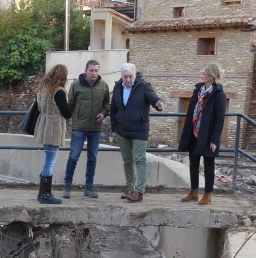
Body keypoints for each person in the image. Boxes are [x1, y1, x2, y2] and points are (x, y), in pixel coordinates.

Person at [109, 63, 163, 202]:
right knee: (127, 160)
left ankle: (139, 192)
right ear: (121, 76)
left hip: (139, 129)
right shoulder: (117, 87)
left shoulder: (143, 86)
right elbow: (113, 107)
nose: (128, 80)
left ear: (135, 75)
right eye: (125, 77)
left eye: (130, 76)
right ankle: (129, 188)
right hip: (122, 130)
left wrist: (158, 103)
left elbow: (154, 98)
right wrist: (114, 127)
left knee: (140, 159)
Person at [177, 63, 228, 206]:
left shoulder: (218, 95)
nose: (202, 73)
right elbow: (192, 110)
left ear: (212, 76)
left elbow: (219, 119)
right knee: (193, 162)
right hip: (194, 131)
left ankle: (207, 194)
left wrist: (214, 140)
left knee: (208, 164)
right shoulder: (198, 90)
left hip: (207, 134)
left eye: (204, 72)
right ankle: (193, 192)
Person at [63, 59, 110, 199]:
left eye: (96, 70)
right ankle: (67, 187)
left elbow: (107, 104)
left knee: (92, 158)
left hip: (96, 128)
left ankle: (89, 188)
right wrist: (66, 123)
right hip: (79, 127)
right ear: (85, 71)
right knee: (73, 156)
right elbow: (69, 104)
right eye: (91, 70)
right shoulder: (76, 85)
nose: (94, 73)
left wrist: (103, 113)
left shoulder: (104, 86)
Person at [33, 64, 73, 205]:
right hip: (54, 128)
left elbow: (39, 108)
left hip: (44, 126)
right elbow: (67, 113)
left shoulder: (43, 90)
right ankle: (45, 193)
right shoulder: (58, 91)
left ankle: (42, 193)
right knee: (50, 161)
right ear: (62, 76)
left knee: (49, 159)